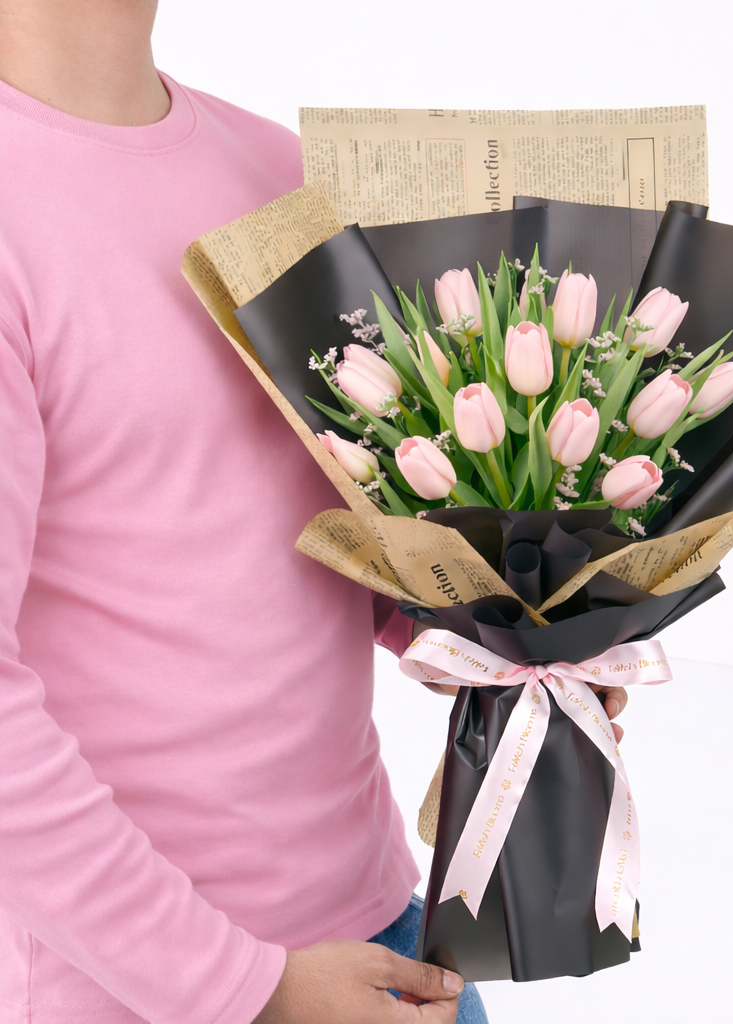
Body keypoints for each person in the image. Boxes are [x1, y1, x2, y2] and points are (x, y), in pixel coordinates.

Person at [0, 3, 630, 1022]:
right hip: (135, 988)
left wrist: (506, 646)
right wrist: (246, 989)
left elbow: (335, 536)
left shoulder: (277, 173)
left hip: (382, 933)